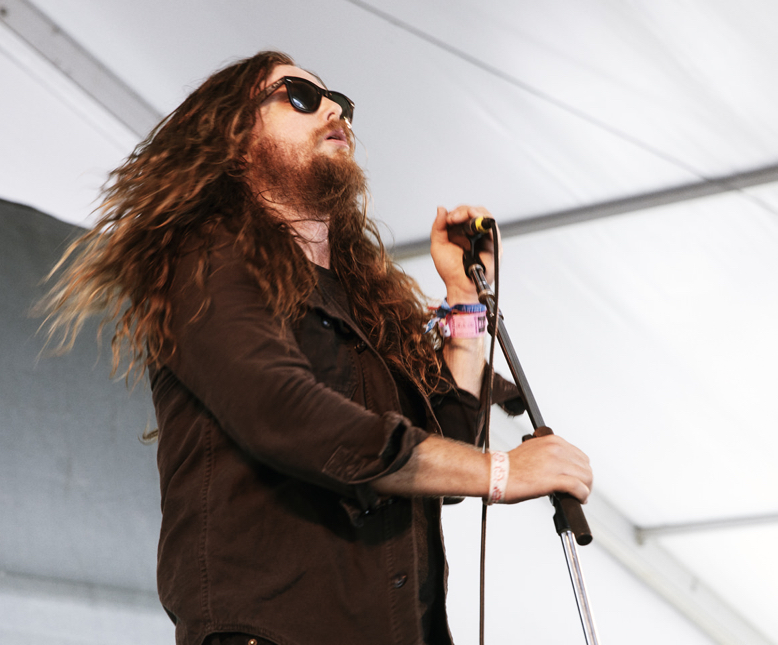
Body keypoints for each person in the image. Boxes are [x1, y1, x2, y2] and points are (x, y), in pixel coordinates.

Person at [40, 51, 592, 645]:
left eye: (341, 104)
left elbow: (448, 453)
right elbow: (286, 413)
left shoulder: (367, 299)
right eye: (299, 95)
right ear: (235, 134)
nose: (334, 110)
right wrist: (501, 472)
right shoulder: (203, 259)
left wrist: (464, 302)